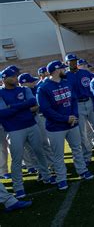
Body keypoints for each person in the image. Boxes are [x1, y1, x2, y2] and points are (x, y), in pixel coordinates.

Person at [36, 60, 94, 191]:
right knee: (58, 155)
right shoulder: (43, 87)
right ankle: (61, 178)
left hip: (72, 123)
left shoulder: (66, 82)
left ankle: (82, 170)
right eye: (62, 68)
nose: (65, 70)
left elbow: (73, 100)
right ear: (56, 70)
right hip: (56, 127)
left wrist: (74, 116)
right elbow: (46, 110)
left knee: (77, 149)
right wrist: (65, 118)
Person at [0, 68, 55, 199]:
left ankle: (46, 176)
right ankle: (18, 187)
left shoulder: (24, 89)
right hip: (14, 130)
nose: (15, 78)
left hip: (31, 125)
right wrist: (23, 107)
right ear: (4, 78)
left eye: (16, 75)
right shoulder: (1, 93)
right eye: (12, 76)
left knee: (39, 152)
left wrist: (13, 107)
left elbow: (32, 102)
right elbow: (2, 113)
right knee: (17, 159)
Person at [65, 53, 94, 165]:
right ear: (66, 63)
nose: (73, 63)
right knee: (82, 132)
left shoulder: (85, 73)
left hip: (89, 101)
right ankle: (87, 155)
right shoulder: (65, 76)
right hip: (77, 104)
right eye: (70, 61)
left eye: (74, 61)